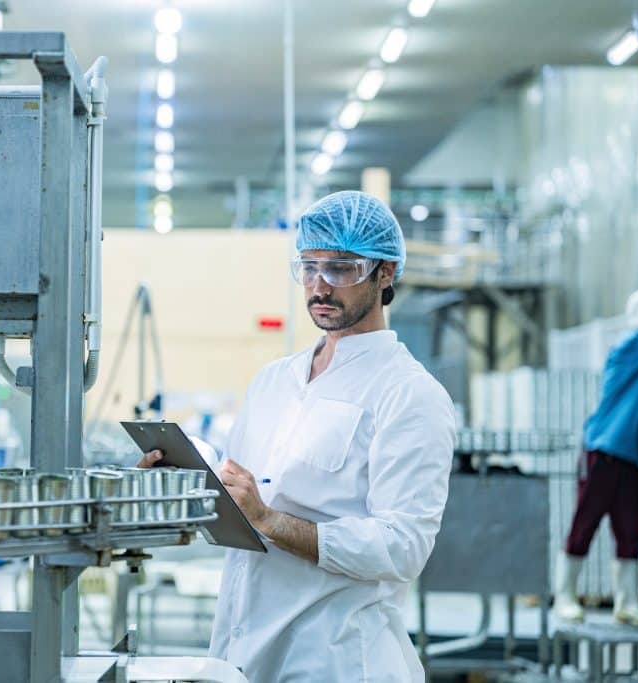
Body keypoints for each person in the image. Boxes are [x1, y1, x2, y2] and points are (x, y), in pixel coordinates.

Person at [140, 191, 456, 681]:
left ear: (386, 272)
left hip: (335, 659)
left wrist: (269, 520)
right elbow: (243, 495)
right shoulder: (274, 381)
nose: (320, 286)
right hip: (244, 654)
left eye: (341, 268)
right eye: (309, 267)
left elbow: (402, 545)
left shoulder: (409, 394)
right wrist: (188, 484)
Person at [554, 288, 638, 626]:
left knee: (631, 528)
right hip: (602, 453)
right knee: (585, 522)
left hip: (628, 458)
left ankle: (626, 602)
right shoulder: (630, 346)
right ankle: (564, 595)